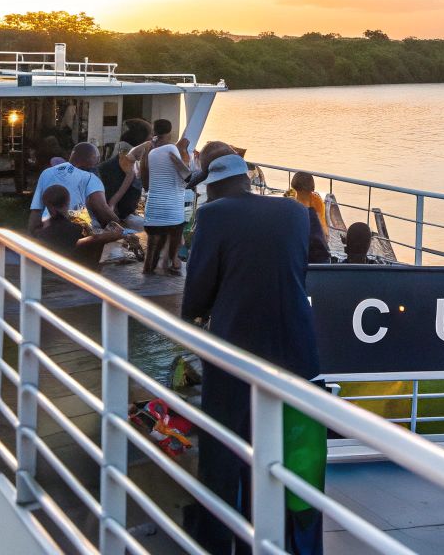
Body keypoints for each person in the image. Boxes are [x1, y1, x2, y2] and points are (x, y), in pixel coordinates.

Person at [180, 154, 327, 554]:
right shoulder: (296, 211)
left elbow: (198, 290)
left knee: (227, 448)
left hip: (238, 349)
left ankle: (221, 538)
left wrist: (190, 317)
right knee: (298, 452)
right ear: (246, 181)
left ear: (212, 186)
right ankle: (298, 542)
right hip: (298, 348)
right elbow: (311, 262)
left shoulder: (213, 216)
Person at [26, 142, 117, 236]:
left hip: (47, 229)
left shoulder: (47, 174)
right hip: (77, 231)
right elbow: (102, 208)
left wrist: (31, 235)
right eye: (96, 161)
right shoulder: (90, 177)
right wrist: (121, 228)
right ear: (90, 160)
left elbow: (36, 210)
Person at [140, 131, 192, 275]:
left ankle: (149, 268)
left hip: (153, 213)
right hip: (173, 215)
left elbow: (145, 183)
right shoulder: (175, 157)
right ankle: (172, 264)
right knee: (172, 249)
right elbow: (189, 178)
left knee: (152, 248)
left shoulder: (150, 154)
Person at [34, 184, 125, 267]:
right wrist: (112, 235)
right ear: (68, 202)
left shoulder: (41, 231)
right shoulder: (73, 229)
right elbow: (93, 240)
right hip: (74, 270)